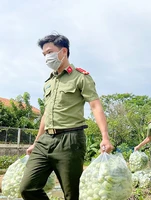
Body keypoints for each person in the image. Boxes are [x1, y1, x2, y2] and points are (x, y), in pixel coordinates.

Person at [19, 34, 113, 200]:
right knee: (28, 188)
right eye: (44, 54)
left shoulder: (80, 76)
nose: (46, 57)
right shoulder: (48, 82)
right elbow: (46, 114)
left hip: (70, 140)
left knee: (71, 194)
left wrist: (105, 137)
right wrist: (36, 142)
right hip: (45, 140)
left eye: (49, 52)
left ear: (63, 51)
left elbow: (95, 105)